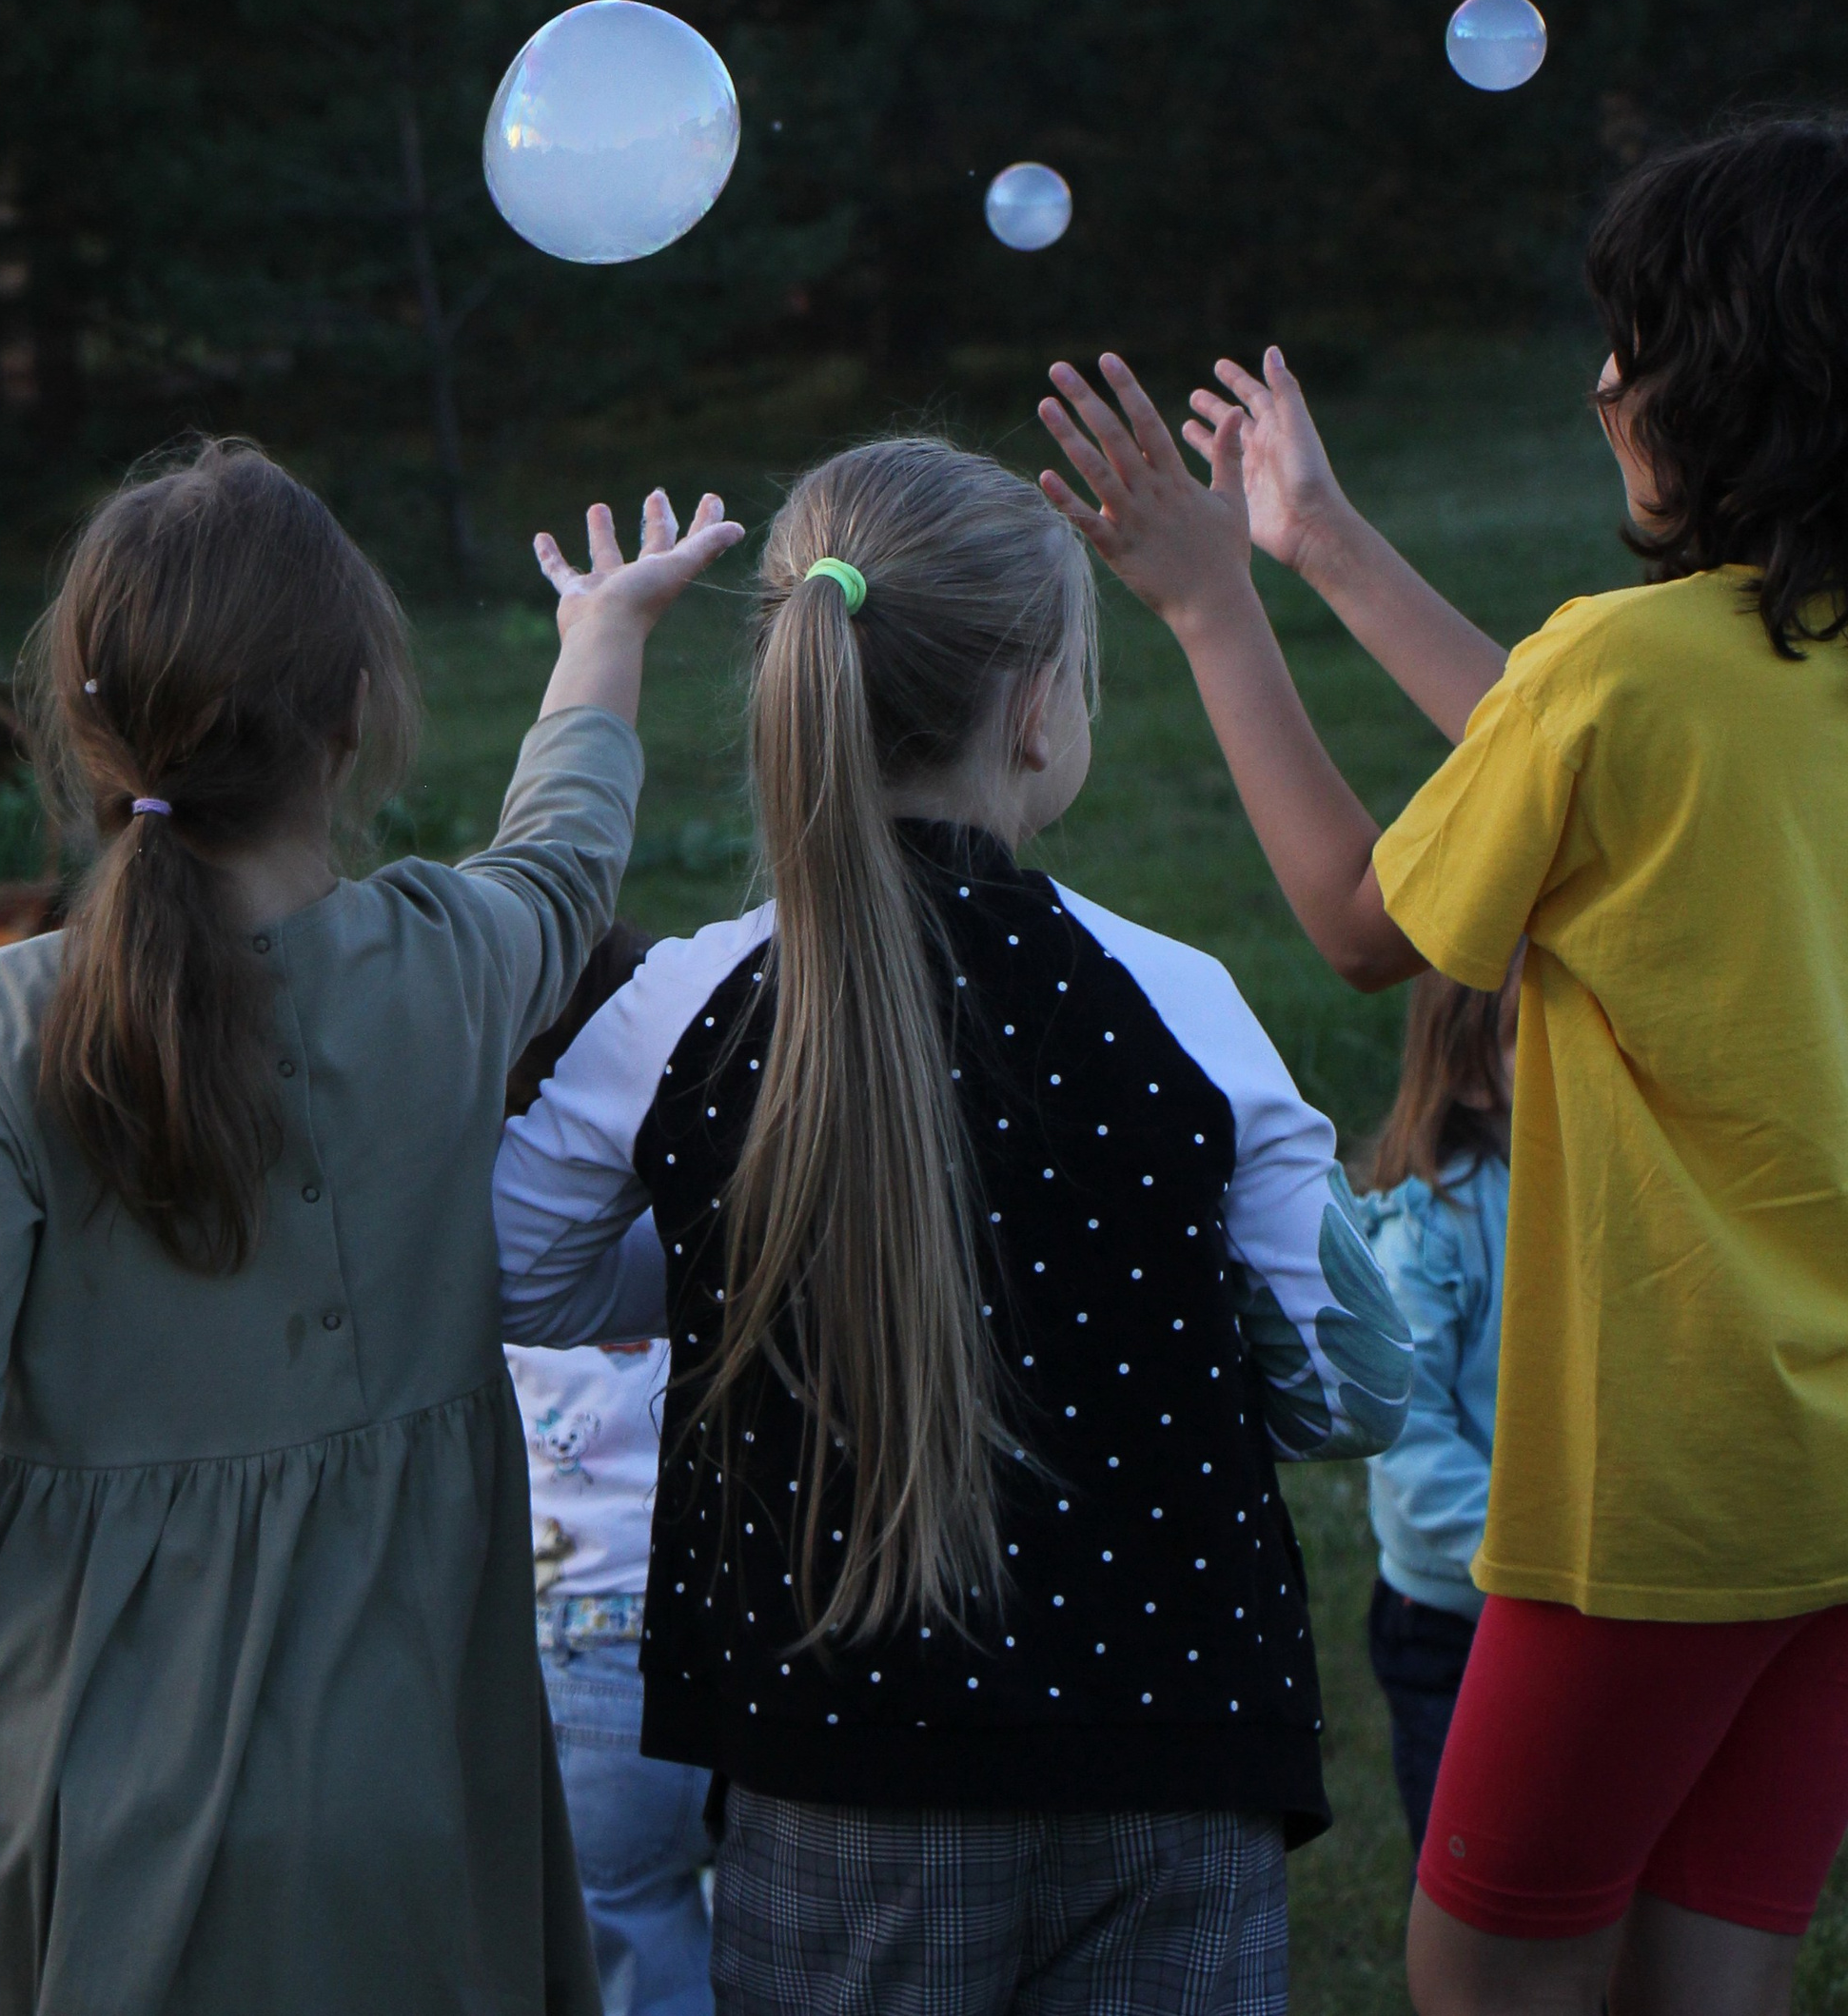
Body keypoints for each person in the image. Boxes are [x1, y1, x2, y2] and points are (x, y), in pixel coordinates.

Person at [0, 434, 743, 2016]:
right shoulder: (452, 963)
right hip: (406, 1792)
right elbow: (565, 853)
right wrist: (604, 633)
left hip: (61, 1780)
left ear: (85, 721)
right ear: (353, 714)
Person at [1035, 113, 1848, 2016]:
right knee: (1704, 1978)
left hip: (1653, 1496)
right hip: (1827, 1497)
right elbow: (1568, 767)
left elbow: (1350, 913)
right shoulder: (1686, 686)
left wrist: (1209, 604)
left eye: (1623, 340)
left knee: (1483, 1977)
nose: (1591, 384)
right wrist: (1314, 535)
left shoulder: (1619, 678)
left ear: (1706, 385)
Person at [495, 433, 1410, 2016]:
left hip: (840, 1775)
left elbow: (509, 1266)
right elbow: (1357, 1386)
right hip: (1168, 1765)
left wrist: (745, 1264)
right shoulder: (1182, 1002)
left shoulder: (683, 1004)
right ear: (1036, 706)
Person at [505, 925, 714, 2016]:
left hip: (579, 1657)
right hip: (744, 1636)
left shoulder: (501, 1242)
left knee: (618, 1928)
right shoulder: (717, 1215)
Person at [1352, 963, 1519, 1851]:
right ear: (1470, 1068)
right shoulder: (1433, 1229)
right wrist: (1522, 1560)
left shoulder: (1610, 1202)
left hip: (1580, 1603)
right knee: (1472, 1866)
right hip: (1452, 1620)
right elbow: (1406, 1436)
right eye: (1543, 1039)